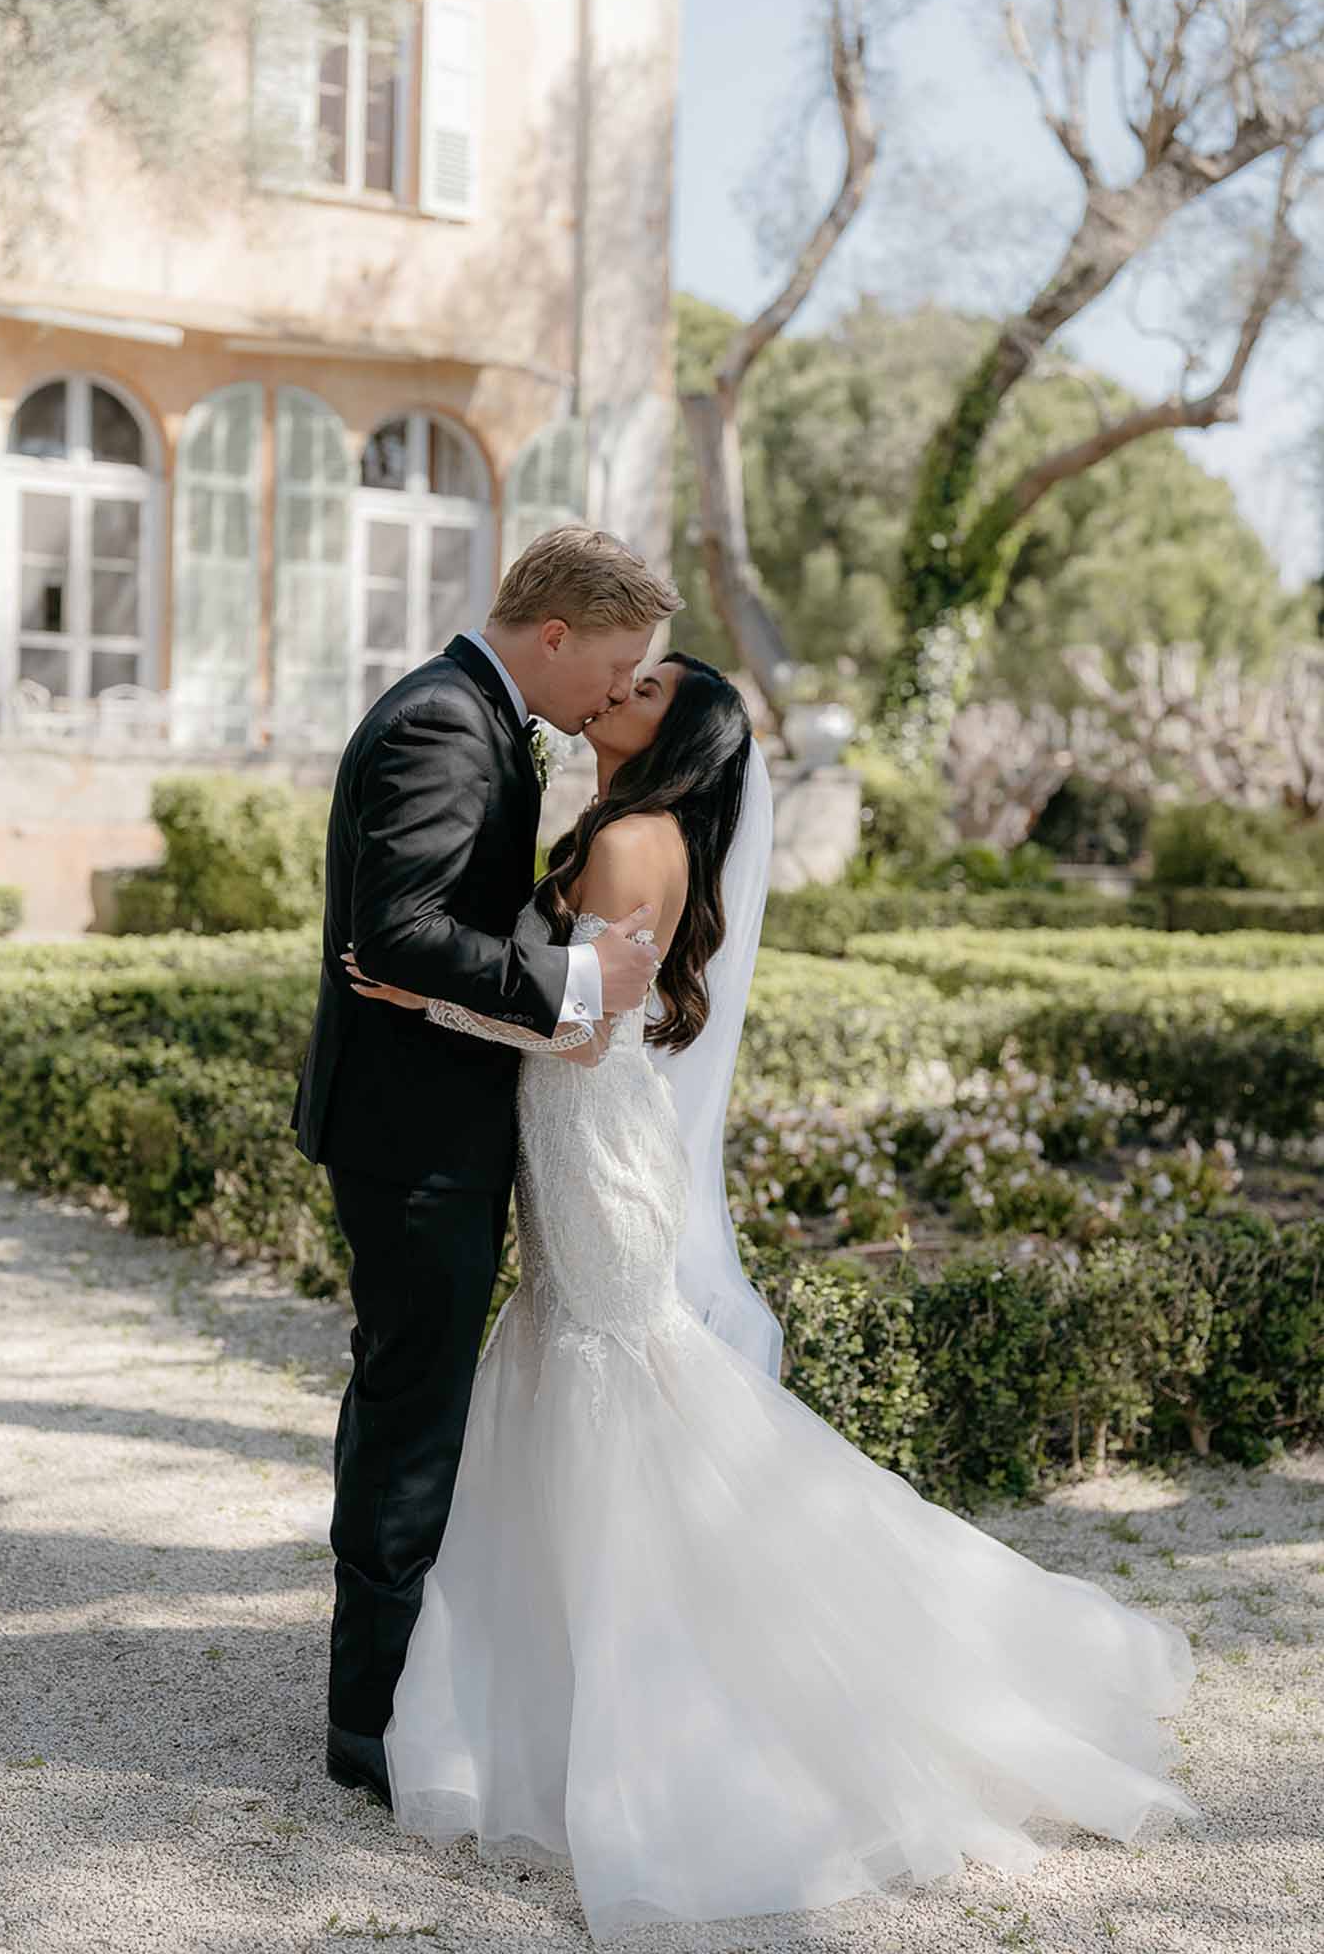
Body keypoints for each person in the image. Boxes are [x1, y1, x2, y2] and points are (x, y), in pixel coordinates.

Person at [341, 650, 1203, 1947]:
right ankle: (557, 1692)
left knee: (623, 1391)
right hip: (577, 1140)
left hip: (598, 1153)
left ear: (680, 738)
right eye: (624, 679)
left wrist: (430, 996)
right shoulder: (625, 826)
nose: (616, 692)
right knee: (580, 1379)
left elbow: (580, 1025)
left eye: (645, 691)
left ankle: (673, 1697)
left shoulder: (629, 840)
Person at [290, 523, 684, 1806]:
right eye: (613, 664)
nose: (616, 692)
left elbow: (425, 931)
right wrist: (580, 977)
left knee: (409, 1394)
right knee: (414, 1412)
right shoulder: (445, 723)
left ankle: (390, 1685)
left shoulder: (473, 713)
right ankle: (370, 1720)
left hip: (430, 1123)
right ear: (554, 633)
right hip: (411, 1138)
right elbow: (399, 932)